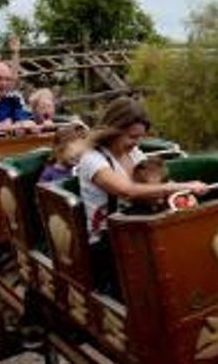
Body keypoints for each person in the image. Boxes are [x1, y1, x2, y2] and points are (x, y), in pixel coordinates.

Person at [76, 97, 207, 294]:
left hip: (137, 224)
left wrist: (184, 191)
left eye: (140, 137)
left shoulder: (134, 153)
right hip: (108, 238)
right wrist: (178, 186)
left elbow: (156, 183)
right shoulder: (93, 159)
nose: (136, 143)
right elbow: (126, 190)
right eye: (131, 137)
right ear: (114, 130)